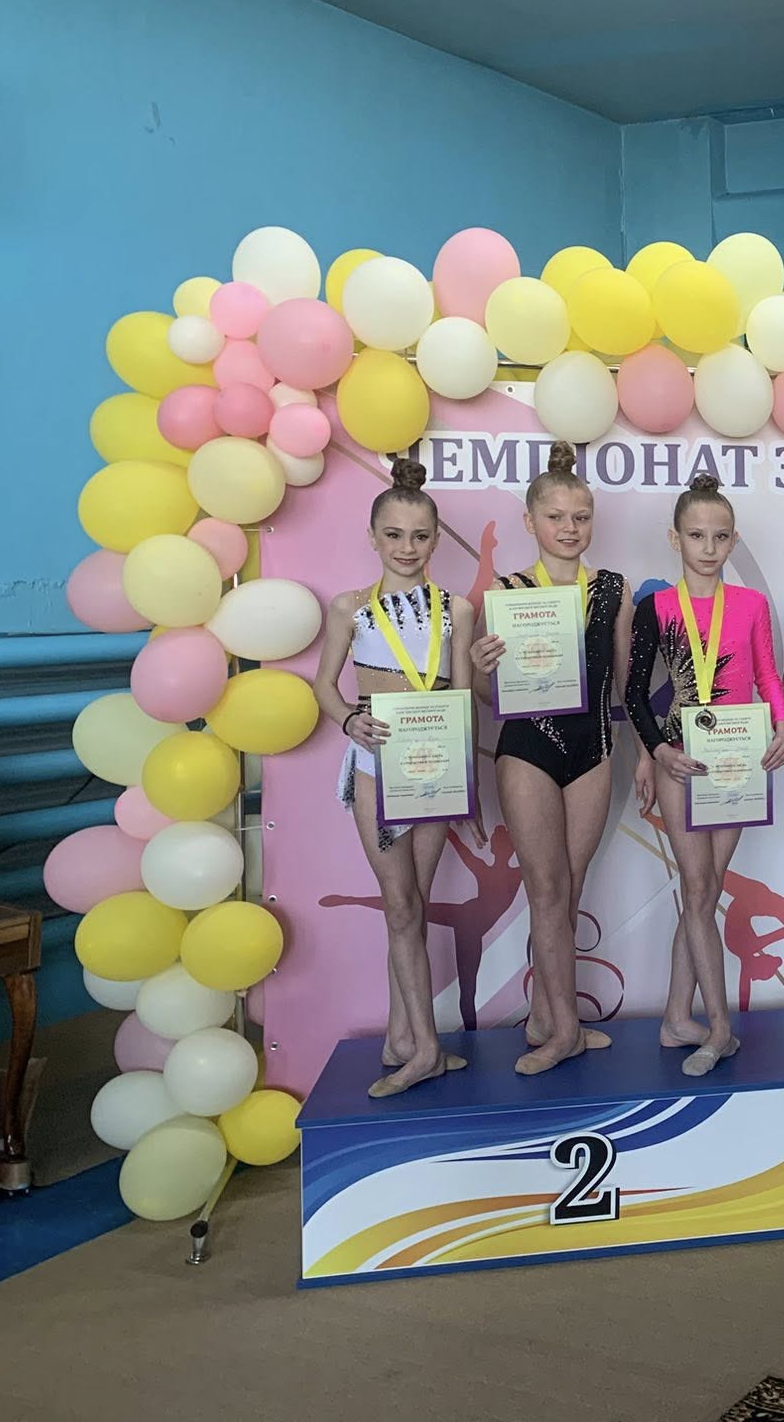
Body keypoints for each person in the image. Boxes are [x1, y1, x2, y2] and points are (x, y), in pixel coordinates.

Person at [310, 459, 476, 1098]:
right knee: (401, 904)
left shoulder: (457, 609)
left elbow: (463, 697)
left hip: (435, 771)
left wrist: (465, 783)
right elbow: (324, 686)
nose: (408, 547)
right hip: (376, 769)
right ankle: (426, 1049)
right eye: (394, 535)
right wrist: (350, 720)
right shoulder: (350, 608)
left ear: (436, 540)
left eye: (420, 536)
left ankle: (402, 1039)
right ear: (373, 538)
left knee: (412, 906)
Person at [471, 442, 632, 1076]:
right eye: (556, 517)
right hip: (527, 750)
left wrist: (654, 749)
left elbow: (624, 685)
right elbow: (489, 696)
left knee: (571, 886)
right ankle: (566, 1030)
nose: (569, 529)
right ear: (530, 521)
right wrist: (481, 669)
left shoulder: (612, 589)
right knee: (545, 888)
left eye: (581, 517)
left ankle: (545, 1015)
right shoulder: (506, 592)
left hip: (593, 747)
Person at [625, 472, 784, 1075]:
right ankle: (719, 1027)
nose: (708, 547)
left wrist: (783, 726)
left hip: (739, 757)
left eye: (720, 537)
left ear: (734, 540)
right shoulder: (656, 608)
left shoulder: (750, 605)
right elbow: (634, 693)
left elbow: (767, 674)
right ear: (675, 539)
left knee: (704, 890)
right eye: (696, 535)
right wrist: (656, 751)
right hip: (682, 756)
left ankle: (677, 1016)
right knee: (698, 890)